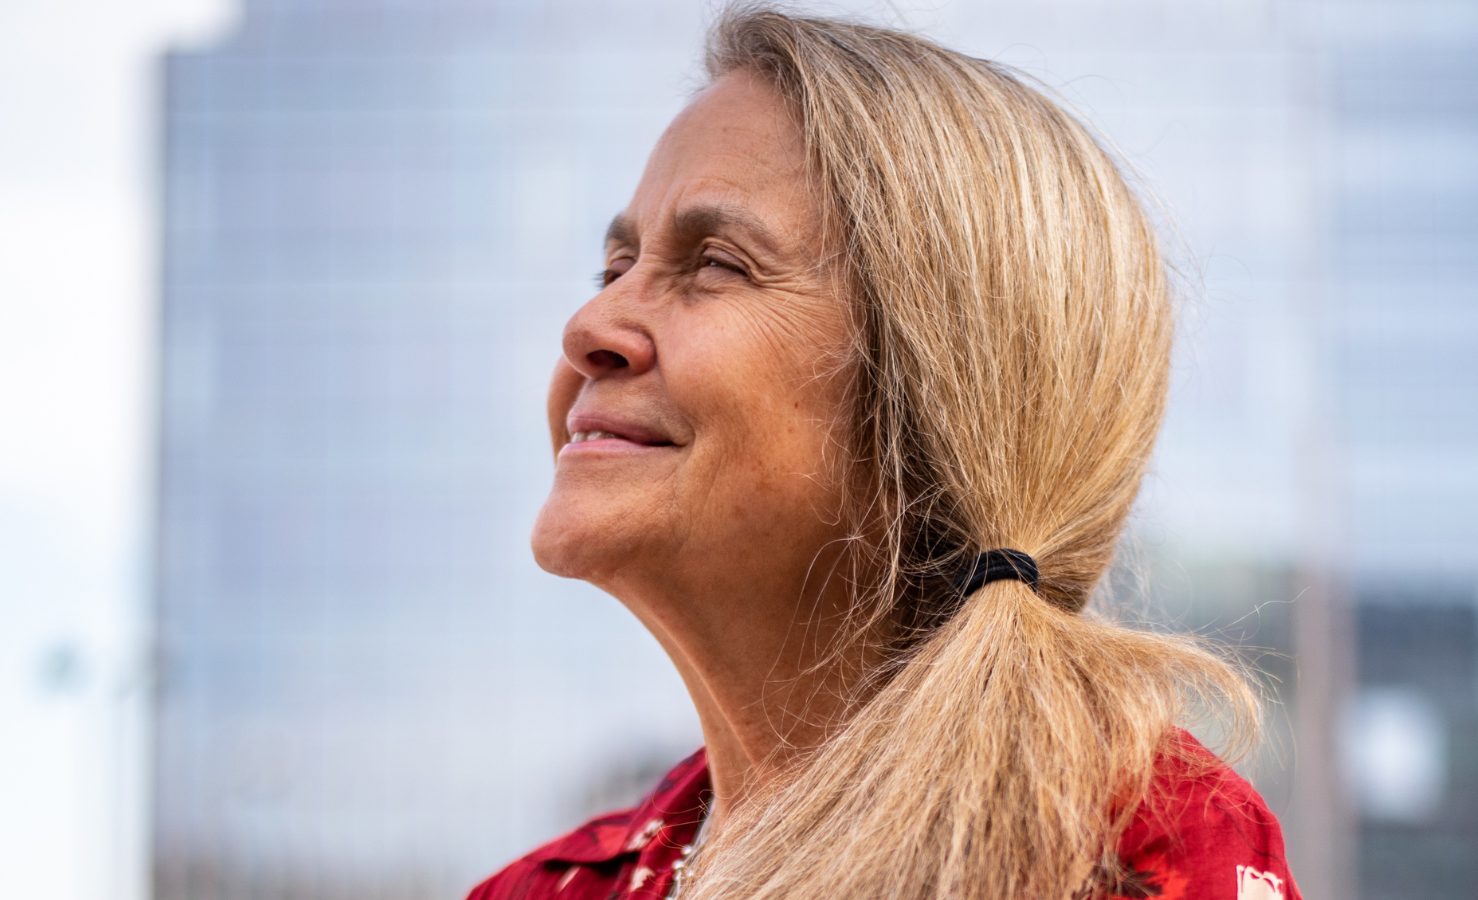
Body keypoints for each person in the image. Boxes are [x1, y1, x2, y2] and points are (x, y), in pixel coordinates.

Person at [469, 7, 1302, 900]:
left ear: (939, 381)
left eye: (714, 263)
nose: (588, 327)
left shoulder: (1131, 846)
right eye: (614, 268)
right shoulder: (544, 888)